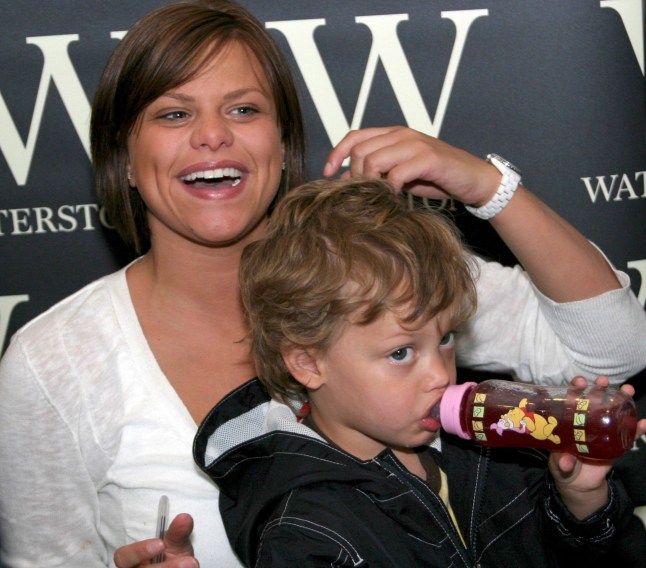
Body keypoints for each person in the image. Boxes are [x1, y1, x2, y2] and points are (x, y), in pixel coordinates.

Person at [0, 1, 644, 567]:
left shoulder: (385, 272)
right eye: (173, 114)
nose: (212, 134)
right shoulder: (53, 362)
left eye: (244, 108)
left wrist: (484, 185)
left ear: (282, 143)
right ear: (124, 159)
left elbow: (616, 351)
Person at [194, 176, 646, 567]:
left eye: (445, 339)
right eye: (400, 353)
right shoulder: (308, 531)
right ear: (308, 362)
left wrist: (581, 501)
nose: (439, 375)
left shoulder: (492, 445)